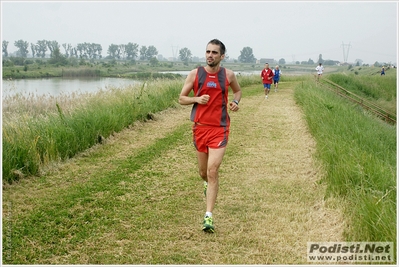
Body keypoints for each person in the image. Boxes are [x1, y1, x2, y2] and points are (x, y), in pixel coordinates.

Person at [178, 39, 242, 233]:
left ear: (222, 56)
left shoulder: (228, 75)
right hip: (200, 128)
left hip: (220, 129)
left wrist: (235, 102)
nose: (210, 55)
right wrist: (197, 99)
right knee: (203, 173)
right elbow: (181, 98)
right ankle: (206, 184)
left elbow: (238, 91)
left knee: (213, 170)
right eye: (208, 51)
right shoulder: (195, 74)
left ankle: (208, 216)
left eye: (214, 52)